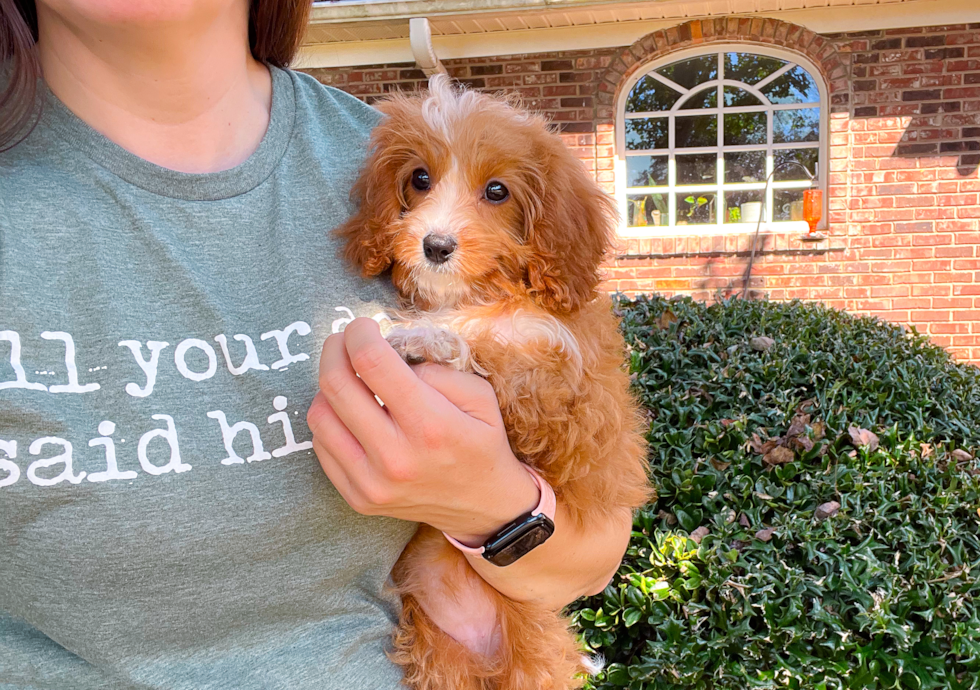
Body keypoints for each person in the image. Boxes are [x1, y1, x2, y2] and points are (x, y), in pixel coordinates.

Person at [0, 1, 635, 688]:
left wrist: (489, 504)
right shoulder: (393, 176)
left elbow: (593, 551)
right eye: (420, 186)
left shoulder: (377, 143)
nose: (437, 215)